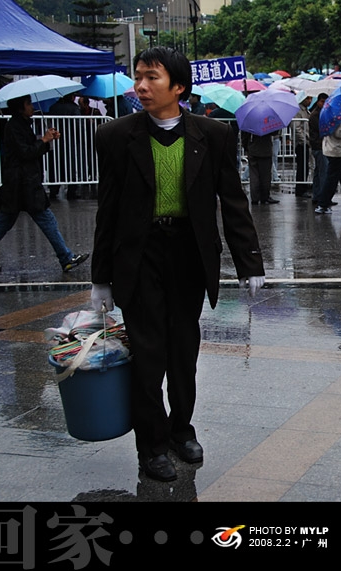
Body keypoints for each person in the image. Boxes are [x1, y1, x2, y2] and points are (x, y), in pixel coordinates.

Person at [90, 47, 265, 482]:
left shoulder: (213, 135)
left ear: (179, 87)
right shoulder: (116, 136)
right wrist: (101, 278)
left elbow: (233, 201)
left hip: (189, 252)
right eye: (139, 77)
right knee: (148, 353)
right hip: (140, 254)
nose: (141, 86)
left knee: (184, 350)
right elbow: (107, 210)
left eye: (152, 77)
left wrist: (249, 262)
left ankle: (181, 430)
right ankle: (151, 445)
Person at [0, 95, 89, 273]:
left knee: (6, 221)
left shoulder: (22, 124)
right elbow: (25, 152)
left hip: (22, 182)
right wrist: (44, 140)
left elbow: (31, 149)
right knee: (45, 219)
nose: (32, 107)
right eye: (28, 104)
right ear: (20, 107)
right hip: (22, 183)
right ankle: (65, 257)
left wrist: (46, 141)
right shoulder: (14, 126)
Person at [242, 130, 279, 205]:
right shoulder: (267, 123)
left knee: (254, 176)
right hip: (265, 150)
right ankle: (264, 197)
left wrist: (247, 147)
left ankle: (254, 198)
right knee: (265, 176)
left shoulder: (250, 123)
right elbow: (274, 132)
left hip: (253, 149)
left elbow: (244, 136)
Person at [308, 93, 329, 205]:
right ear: (318, 101)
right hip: (319, 146)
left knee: (318, 171)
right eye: (322, 101)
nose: (324, 104)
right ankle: (323, 198)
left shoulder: (321, 113)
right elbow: (322, 129)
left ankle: (317, 195)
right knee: (323, 172)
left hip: (320, 145)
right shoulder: (315, 115)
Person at [293, 91, 312, 197]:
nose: (310, 101)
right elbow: (296, 127)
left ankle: (303, 187)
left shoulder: (306, 110)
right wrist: (303, 140)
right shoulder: (298, 111)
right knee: (302, 166)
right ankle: (300, 189)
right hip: (301, 143)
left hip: (306, 142)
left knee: (305, 166)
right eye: (308, 98)